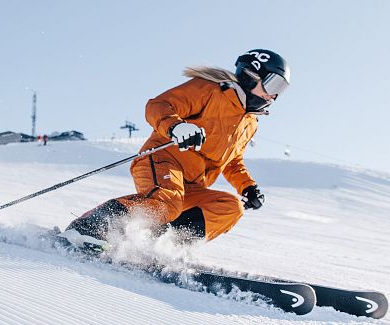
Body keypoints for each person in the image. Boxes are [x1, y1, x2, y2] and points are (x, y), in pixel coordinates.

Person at [59, 49, 290, 252]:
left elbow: (231, 160)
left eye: (282, 89)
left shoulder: (250, 122)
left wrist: (247, 187)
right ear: (251, 76)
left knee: (230, 208)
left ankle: (161, 246)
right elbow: (158, 106)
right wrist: (177, 127)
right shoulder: (210, 91)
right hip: (162, 160)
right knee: (165, 203)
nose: (275, 95)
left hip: (192, 184)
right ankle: (88, 227)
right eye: (273, 85)